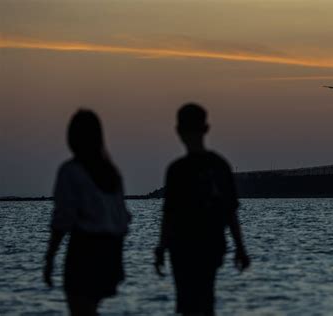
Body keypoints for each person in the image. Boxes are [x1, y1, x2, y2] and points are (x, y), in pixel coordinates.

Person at [154, 103, 250, 315]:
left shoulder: (177, 170)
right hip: (212, 244)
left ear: (178, 130)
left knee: (188, 302)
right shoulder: (219, 165)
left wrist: (161, 247)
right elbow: (230, 211)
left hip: (182, 247)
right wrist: (240, 248)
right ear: (206, 128)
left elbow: (169, 213)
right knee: (206, 298)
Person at [43, 110, 131, 316]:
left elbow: (63, 218)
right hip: (111, 251)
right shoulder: (111, 173)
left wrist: (50, 257)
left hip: (85, 250)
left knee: (80, 310)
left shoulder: (71, 171)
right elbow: (122, 219)